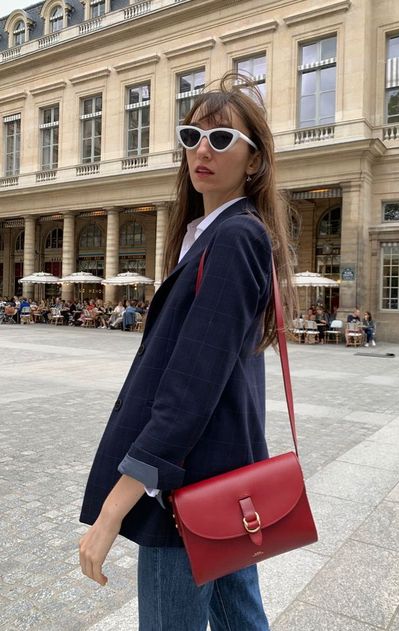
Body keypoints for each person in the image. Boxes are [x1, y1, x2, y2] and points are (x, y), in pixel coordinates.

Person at [78, 72, 296, 631]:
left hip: (188, 489)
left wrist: (111, 510)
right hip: (219, 481)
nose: (202, 149)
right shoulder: (214, 235)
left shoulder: (236, 237)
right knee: (241, 621)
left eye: (221, 139)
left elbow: (189, 386)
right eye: (191, 136)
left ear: (253, 161)